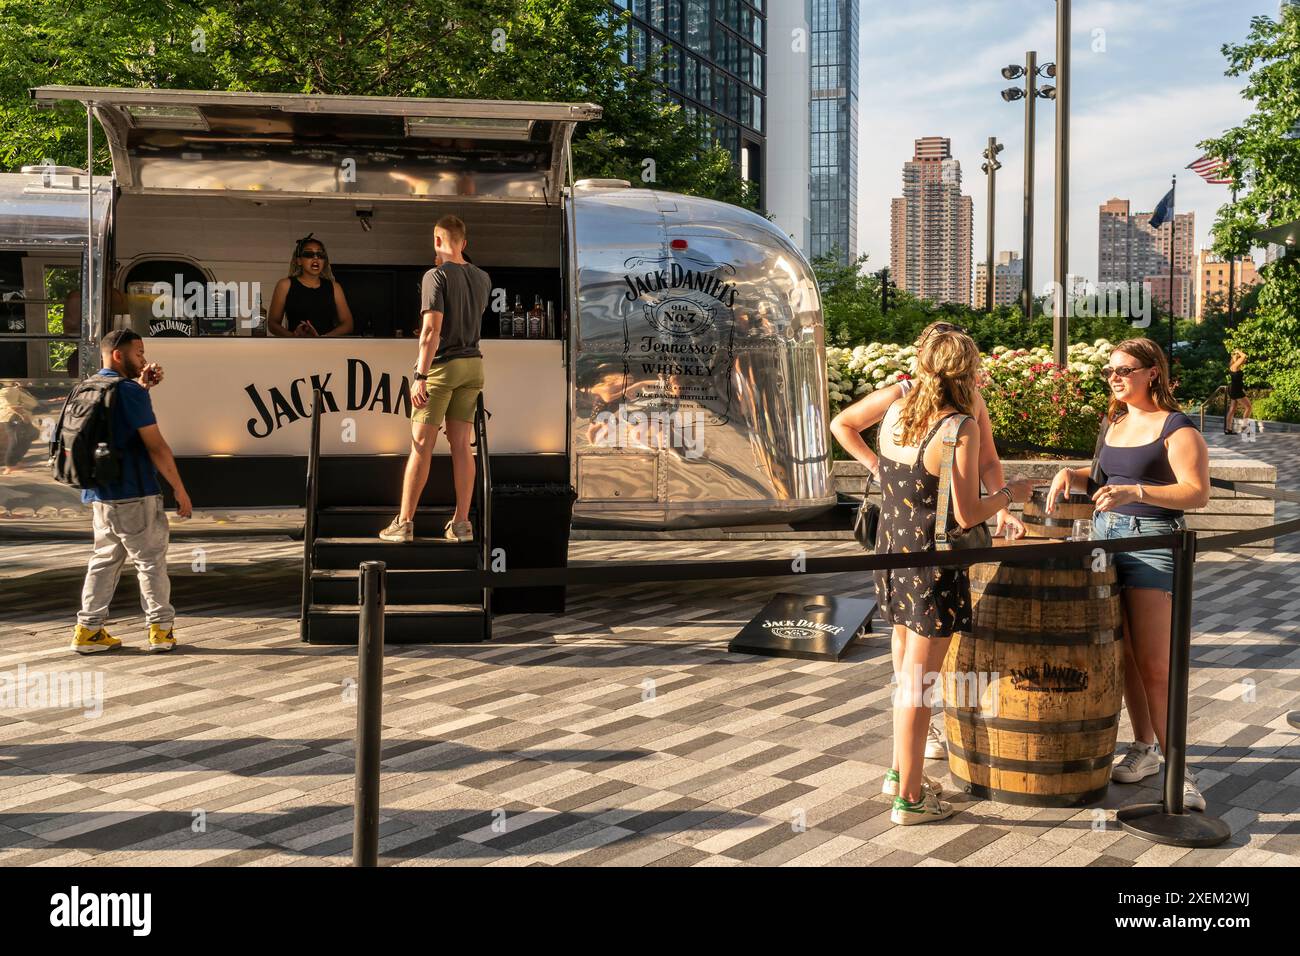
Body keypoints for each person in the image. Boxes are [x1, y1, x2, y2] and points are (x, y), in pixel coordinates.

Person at [831, 321, 1026, 762]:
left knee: (909, 656)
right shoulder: (905, 399)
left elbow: (989, 461)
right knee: (913, 664)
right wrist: (875, 468)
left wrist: (1003, 508)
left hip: (897, 537)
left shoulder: (958, 406)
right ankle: (909, 770)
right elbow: (842, 425)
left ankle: (907, 752)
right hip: (927, 543)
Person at [871, 326, 1038, 825]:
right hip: (933, 564)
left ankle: (899, 775)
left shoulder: (898, 411)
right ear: (966, 372)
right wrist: (1014, 495)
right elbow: (967, 515)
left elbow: (859, 442)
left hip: (893, 551)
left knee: (906, 677)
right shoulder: (957, 427)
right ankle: (912, 800)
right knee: (919, 687)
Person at [1045, 337, 1210, 810]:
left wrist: (1138, 490)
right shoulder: (1114, 421)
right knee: (1129, 658)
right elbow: (1104, 480)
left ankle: (1182, 773)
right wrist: (1072, 475)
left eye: (1124, 369)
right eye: (1109, 371)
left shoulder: (1177, 429)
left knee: (1157, 666)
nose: (1114, 377)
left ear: (1152, 372)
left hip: (1153, 543)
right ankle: (1144, 749)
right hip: (1104, 538)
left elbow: (1196, 493)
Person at [72, 329, 193, 655]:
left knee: (104, 561)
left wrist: (142, 385)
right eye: (138, 353)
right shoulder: (128, 392)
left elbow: (114, 423)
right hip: (135, 493)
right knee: (150, 561)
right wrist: (179, 489)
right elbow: (157, 447)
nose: (143, 359)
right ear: (118, 355)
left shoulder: (89, 386)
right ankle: (160, 631)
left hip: (101, 496)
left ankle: (88, 630)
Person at [380, 215, 490, 543]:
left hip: (443, 367)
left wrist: (420, 375)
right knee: (462, 447)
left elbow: (431, 331)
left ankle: (404, 524)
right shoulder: (483, 278)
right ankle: (460, 524)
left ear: (437, 241)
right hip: (473, 366)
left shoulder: (435, 275)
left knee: (421, 445)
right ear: (464, 243)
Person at [266, 235, 355, 337]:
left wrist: (322, 339)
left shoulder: (334, 287)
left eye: (320, 255)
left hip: (327, 347)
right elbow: (272, 324)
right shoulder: (285, 285)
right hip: (295, 347)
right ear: (299, 261)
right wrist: (294, 337)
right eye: (309, 254)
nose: (316, 258)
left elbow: (348, 324)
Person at [1225, 350, 1250, 434]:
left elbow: (1243, 358)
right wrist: (1238, 351)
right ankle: (1244, 427)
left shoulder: (1234, 366)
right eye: (1237, 356)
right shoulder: (1235, 366)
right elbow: (1244, 356)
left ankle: (1228, 429)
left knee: (1232, 409)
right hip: (1236, 390)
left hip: (1234, 389)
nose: (1242, 360)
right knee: (1248, 407)